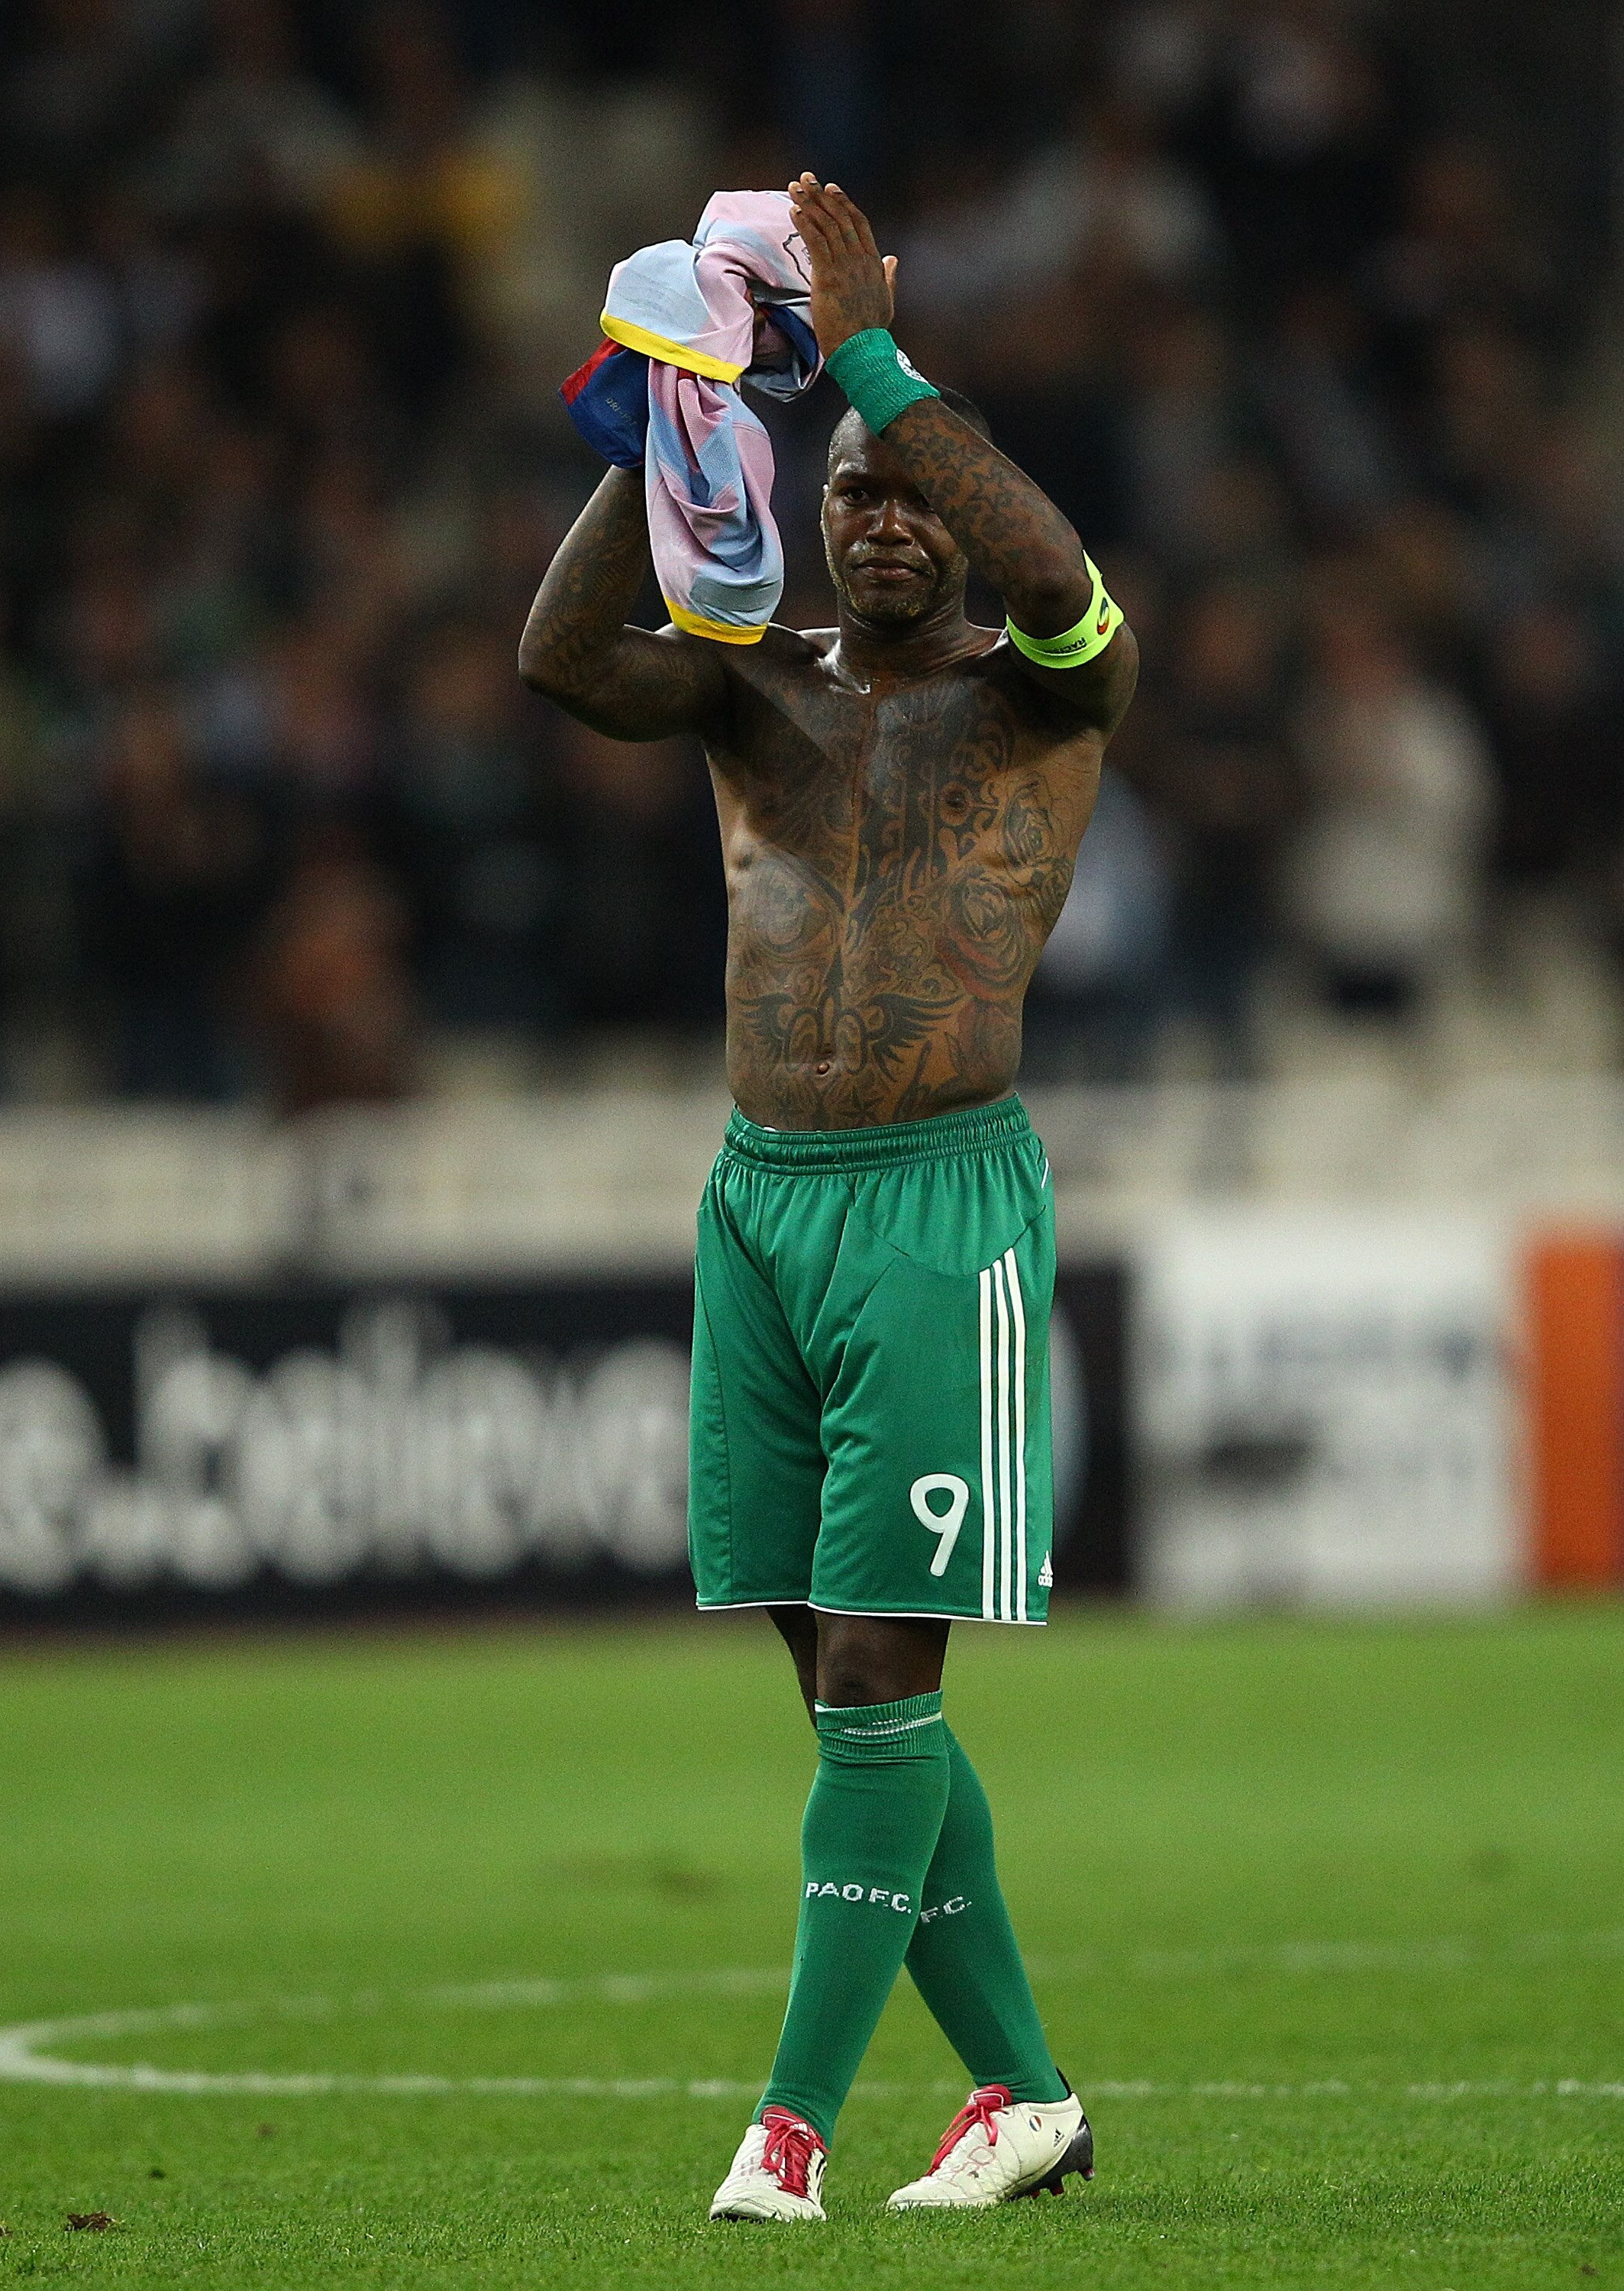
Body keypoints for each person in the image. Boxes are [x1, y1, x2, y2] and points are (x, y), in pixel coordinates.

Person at [520, 173, 1137, 2222]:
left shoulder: (1041, 694)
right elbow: (558, 655)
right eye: (848, 483)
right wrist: (670, 401)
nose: (877, 512)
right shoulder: (746, 673)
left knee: (884, 1684)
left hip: (937, 1215)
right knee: (835, 1681)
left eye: (909, 491)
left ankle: (787, 2133)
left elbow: (1065, 574)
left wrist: (869, 351)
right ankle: (1027, 2095)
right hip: (760, 1205)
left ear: (955, 513)